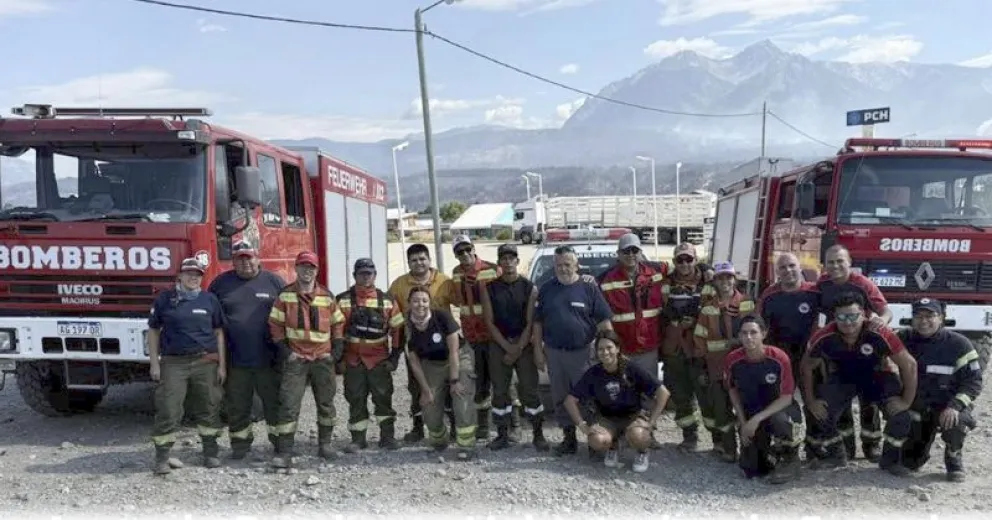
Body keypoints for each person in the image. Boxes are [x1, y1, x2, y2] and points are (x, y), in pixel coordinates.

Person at [801, 292, 917, 473]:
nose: (847, 322)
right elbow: (806, 367)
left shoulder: (879, 332)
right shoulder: (823, 336)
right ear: (834, 317)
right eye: (841, 317)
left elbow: (909, 364)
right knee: (819, 411)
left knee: (901, 415)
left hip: (877, 377)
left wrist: (906, 401)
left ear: (863, 314)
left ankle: (890, 460)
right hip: (843, 378)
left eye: (853, 316)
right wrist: (811, 401)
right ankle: (836, 455)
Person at [147, 257, 227, 475]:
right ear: (179, 276)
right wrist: (154, 364)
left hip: (205, 362)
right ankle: (162, 457)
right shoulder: (165, 300)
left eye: (198, 274)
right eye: (189, 273)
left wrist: (222, 365)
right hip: (174, 363)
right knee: (169, 408)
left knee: (209, 406)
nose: (194, 277)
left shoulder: (209, 300)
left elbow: (219, 333)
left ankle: (210, 453)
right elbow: (153, 331)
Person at [532, 244, 614, 456]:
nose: (563, 268)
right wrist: (538, 351)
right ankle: (569, 439)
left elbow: (604, 321)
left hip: (583, 354)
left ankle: (594, 441)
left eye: (567, 264)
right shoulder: (546, 289)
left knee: (587, 397)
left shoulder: (589, 287)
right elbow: (538, 323)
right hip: (554, 353)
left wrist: (609, 350)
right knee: (560, 397)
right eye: (559, 264)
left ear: (577, 265)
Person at [207, 241, 286, 459]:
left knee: (274, 404)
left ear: (258, 258)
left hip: (269, 360)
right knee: (237, 406)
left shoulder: (274, 282)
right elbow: (212, 324)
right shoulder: (220, 284)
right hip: (235, 361)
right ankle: (240, 446)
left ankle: (281, 444)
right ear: (233, 262)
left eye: (249, 257)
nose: (245, 263)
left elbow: (288, 316)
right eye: (240, 259)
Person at [268, 251, 346, 468]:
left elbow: (338, 324)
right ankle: (285, 451)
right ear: (296, 268)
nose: (307, 271)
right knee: (288, 405)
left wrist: (334, 354)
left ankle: (325, 445)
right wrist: (287, 353)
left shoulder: (327, 297)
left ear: (317, 270)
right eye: (303, 266)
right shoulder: (285, 296)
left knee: (326, 404)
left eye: (311, 267)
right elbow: (275, 325)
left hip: (322, 359)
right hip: (296, 360)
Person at [816, 244, 892, 461]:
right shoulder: (822, 285)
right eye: (830, 262)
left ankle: (871, 444)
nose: (835, 266)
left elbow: (886, 311)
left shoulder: (862, 284)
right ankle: (847, 445)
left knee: (868, 399)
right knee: (841, 399)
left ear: (849, 262)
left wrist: (881, 322)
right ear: (824, 265)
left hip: (864, 347)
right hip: (836, 348)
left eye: (840, 261)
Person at [895, 298, 983, 481]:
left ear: (941, 318)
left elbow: (973, 382)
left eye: (930, 316)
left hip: (947, 406)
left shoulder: (959, 344)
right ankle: (916, 451)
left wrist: (955, 406)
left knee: (957, 422)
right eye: (918, 316)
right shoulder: (902, 339)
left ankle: (953, 456)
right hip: (919, 408)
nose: (924, 321)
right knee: (910, 463)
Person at [564, 330, 671, 473]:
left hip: (633, 416)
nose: (605, 352)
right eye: (600, 349)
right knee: (596, 440)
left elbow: (663, 393)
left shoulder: (631, 368)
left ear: (618, 348)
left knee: (639, 436)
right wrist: (583, 426)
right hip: (606, 418)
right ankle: (613, 446)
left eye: (609, 347)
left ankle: (642, 452)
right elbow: (570, 401)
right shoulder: (593, 373)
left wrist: (651, 422)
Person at [596, 233, 666, 449]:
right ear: (618, 254)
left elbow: (684, 270)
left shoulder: (655, 272)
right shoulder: (605, 279)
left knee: (648, 393)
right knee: (621, 393)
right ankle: (622, 433)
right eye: (626, 251)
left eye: (635, 250)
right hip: (621, 349)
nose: (631, 255)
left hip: (648, 346)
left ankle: (647, 433)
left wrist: (704, 269)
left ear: (640, 252)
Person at [479, 243, 548, 451]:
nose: (508, 262)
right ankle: (502, 434)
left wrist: (517, 348)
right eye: (504, 258)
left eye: (511, 258)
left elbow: (530, 322)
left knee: (529, 390)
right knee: (500, 391)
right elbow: (489, 322)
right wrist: (506, 347)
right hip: (499, 344)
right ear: (499, 262)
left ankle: (538, 434)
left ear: (517, 261)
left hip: (523, 344)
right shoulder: (489, 288)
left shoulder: (529, 288)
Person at [336, 258, 406, 452]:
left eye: (369, 273)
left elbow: (398, 331)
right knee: (355, 399)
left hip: (379, 360)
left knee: (383, 398)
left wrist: (394, 358)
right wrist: (338, 360)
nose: (366, 277)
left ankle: (387, 437)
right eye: (362, 273)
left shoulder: (387, 300)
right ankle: (358, 439)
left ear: (375, 275)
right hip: (353, 361)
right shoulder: (342, 300)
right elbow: (336, 332)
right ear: (354, 275)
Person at [387, 243, 454, 443]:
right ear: (408, 263)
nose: (419, 263)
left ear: (429, 260)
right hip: (416, 345)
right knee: (416, 386)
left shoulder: (444, 281)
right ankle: (417, 427)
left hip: (442, 346)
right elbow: (391, 313)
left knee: (448, 385)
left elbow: (461, 303)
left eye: (422, 258)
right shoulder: (398, 285)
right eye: (414, 260)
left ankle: (454, 426)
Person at [756, 252, 820, 459]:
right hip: (781, 361)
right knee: (781, 404)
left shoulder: (814, 293)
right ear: (777, 272)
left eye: (792, 265)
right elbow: (759, 327)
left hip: (810, 358)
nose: (788, 270)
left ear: (800, 267)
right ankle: (786, 448)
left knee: (814, 402)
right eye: (782, 267)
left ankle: (815, 448)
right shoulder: (769, 295)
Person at [724, 315, 802, 484]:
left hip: (778, 409)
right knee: (752, 469)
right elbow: (733, 390)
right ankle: (770, 454)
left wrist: (756, 419)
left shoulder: (779, 358)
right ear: (739, 336)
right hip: (751, 411)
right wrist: (743, 423)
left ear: (764, 334)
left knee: (780, 421)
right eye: (744, 333)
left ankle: (789, 459)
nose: (749, 337)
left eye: (753, 332)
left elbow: (787, 397)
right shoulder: (733, 360)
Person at [404, 286, 478, 459]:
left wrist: (455, 381)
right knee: (429, 407)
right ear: (409, 303)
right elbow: (414, 362)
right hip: (432, 363)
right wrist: (425, 390)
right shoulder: (407, 326)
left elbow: (454, 351)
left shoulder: (442, 317)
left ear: (430, 302)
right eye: (416, 301)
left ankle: (466, 445)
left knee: (461, 399)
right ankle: (439, 441)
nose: (420, 304)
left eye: (424, 300)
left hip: (459, 358)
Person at [692, 261, 754, 463]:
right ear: (715, 282)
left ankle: (750, 449)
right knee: (721, 410)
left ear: (735, 279)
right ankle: (729, 449)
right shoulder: (707, 310)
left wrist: (737, 343)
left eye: (729, 277)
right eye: (721, 278)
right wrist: (702, 368)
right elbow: (699, 341)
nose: (725, 281)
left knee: (748, 407)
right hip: (716, 368)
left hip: (744, 368)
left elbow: (756, 332)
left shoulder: (747, 303)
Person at [659, 242, 715, 452]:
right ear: (674, 261)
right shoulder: (665, 283)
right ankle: (689, 437)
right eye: (679, 260)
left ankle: (719, 440)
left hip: (699, 349)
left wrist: (695, 320)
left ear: (696, 260)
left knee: (707, 396)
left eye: (688, 259)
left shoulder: (709, 282)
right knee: (680, 396)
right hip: (673, 349)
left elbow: (715, 310)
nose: (684, 264)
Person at [449, 235, 501, 441]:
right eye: (459, 252)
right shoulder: (456, 273)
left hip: (493, 335)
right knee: (479, 382)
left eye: (467, 249)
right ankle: (483, 425)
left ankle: (511, 425)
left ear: (473, 248)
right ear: (455, 255)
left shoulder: (492, 269)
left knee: (502, 381)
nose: (464, 254)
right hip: (471, 337)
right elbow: (456, 300)